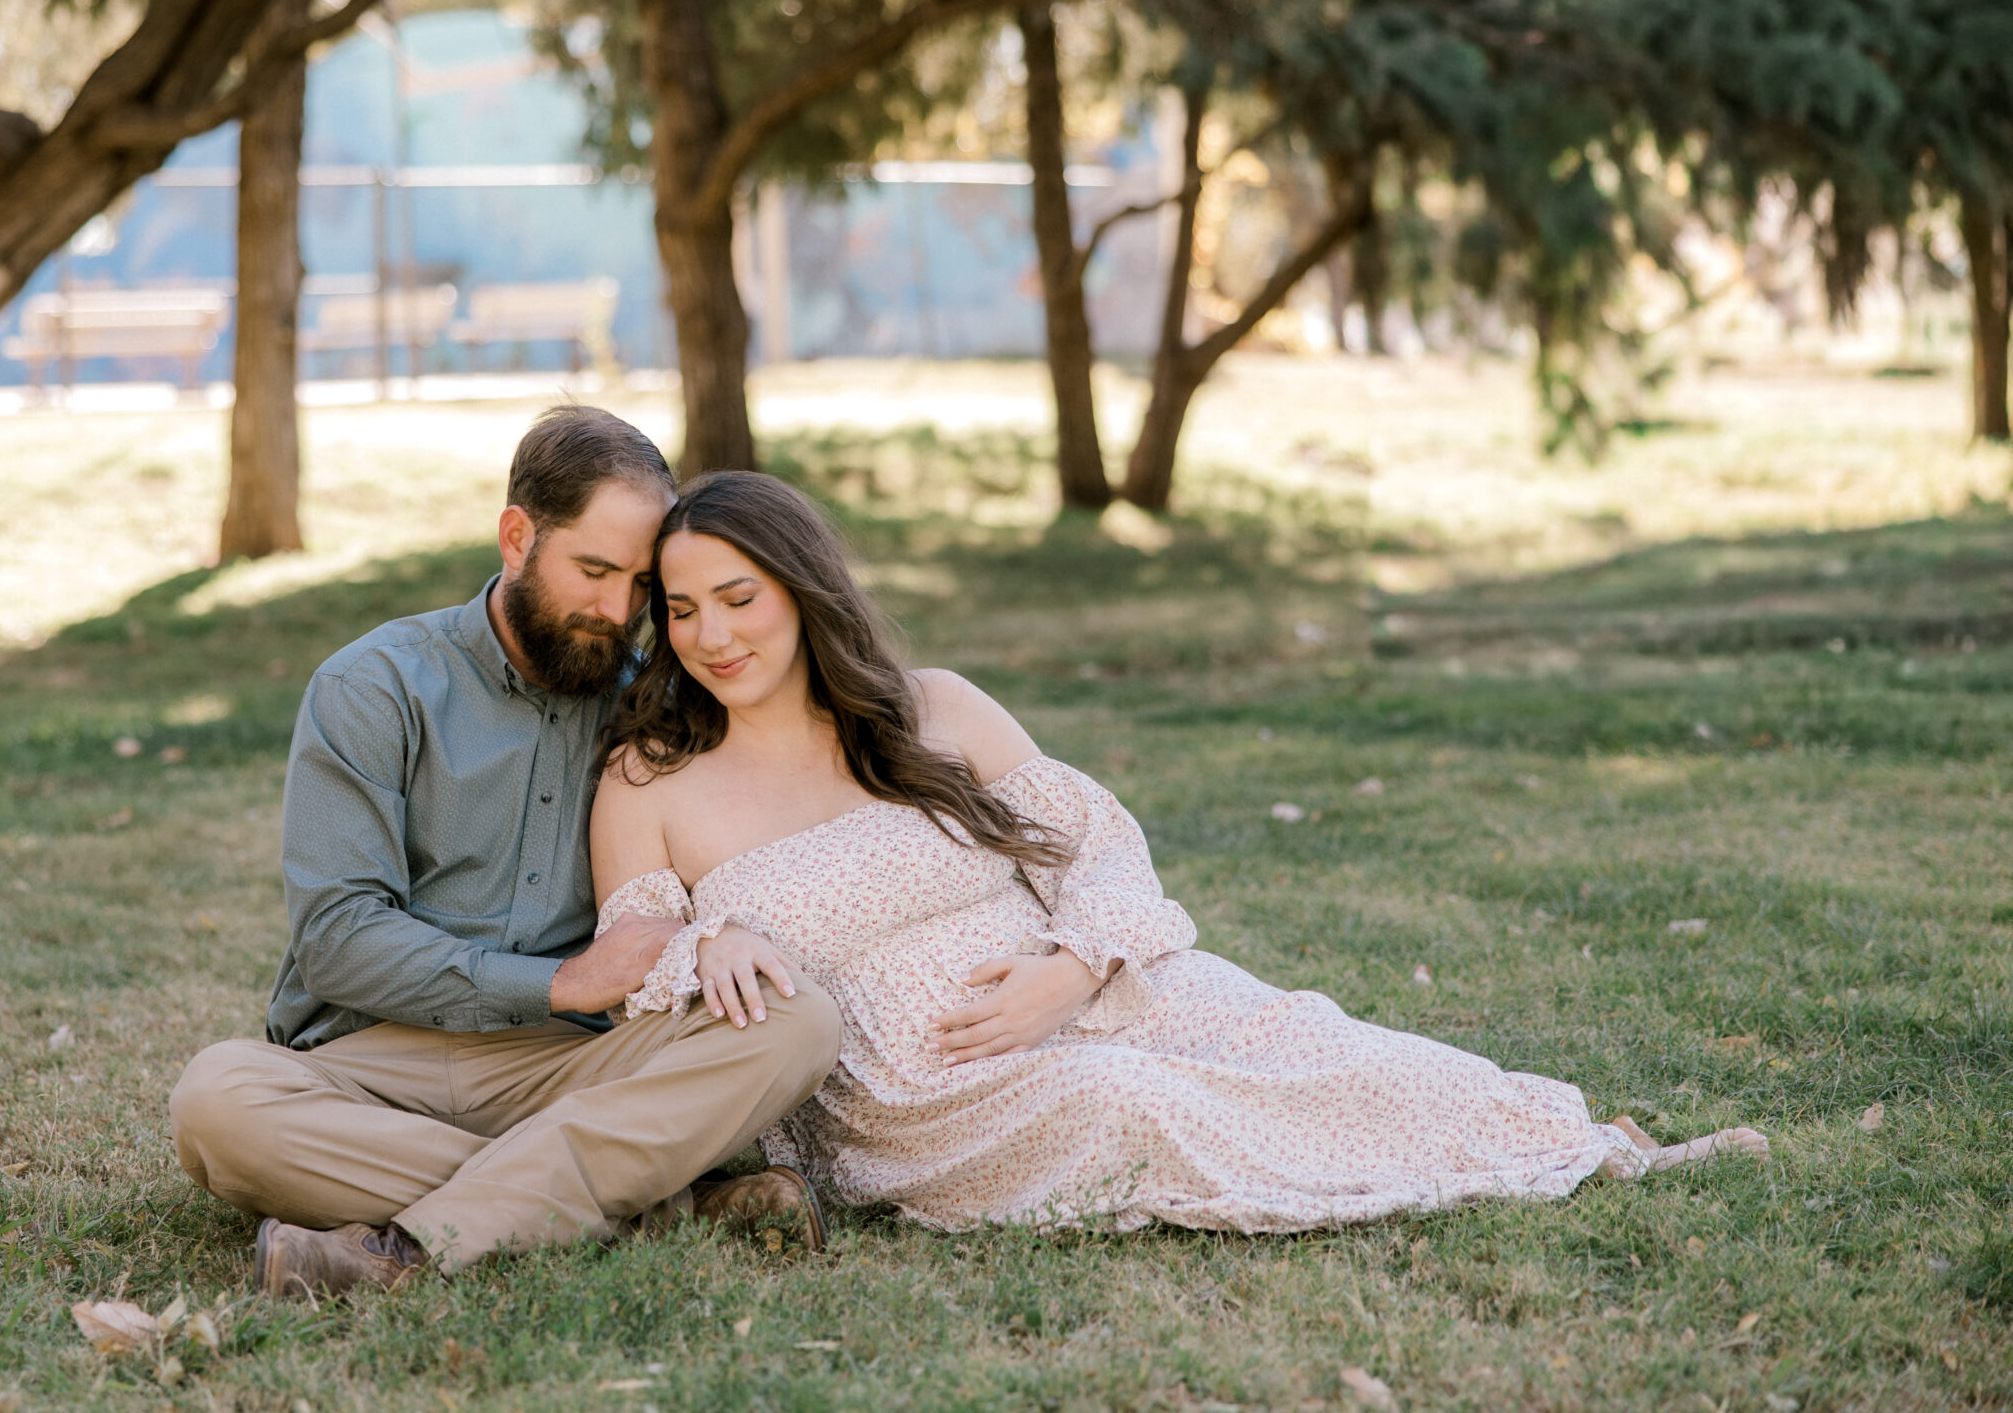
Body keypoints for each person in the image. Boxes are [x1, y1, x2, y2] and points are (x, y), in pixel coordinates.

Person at [590, 471, 1768, 1236]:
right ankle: (1442, 1165)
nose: (711, 636)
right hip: (924, 1090)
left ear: (800, 591)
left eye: (736, 598)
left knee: (1312, 1036)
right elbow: (621, 963)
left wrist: (1072, 965)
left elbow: (1095, 847)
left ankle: (1557, 1141)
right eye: (681, 612)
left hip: (1090, 990)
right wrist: (707, 933)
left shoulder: (935, 708)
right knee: (1129, 1103)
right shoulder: (653, 779)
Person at [170, 410, 840, 1298]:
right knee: (217, 1102)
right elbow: (336, 938)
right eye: (593, 571)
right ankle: (657, 1202)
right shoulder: (375, 686)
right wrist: (560, 983)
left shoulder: (658, 706)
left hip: (574, 1063)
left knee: (799, 1021)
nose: (615, 610)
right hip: (374, 1063)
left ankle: (428, 1237)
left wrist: (718, 937)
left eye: (640, 584)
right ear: (518, 536)